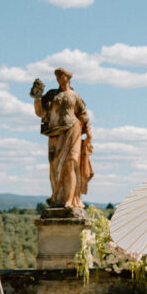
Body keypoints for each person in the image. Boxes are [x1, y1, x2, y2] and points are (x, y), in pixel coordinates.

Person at [30, 67, 93, 210]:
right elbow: (41, 113)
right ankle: (58, 198)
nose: (58, 78)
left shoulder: (75, 96)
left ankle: (70, 201)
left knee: (71, 163)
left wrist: (89, 134)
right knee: (54, 167)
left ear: (67, 78)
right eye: (57, 76)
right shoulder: (52, 95)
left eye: (61, 75)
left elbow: (83, 115)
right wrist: (37, 98)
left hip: (73, 131)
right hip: (55, 134)